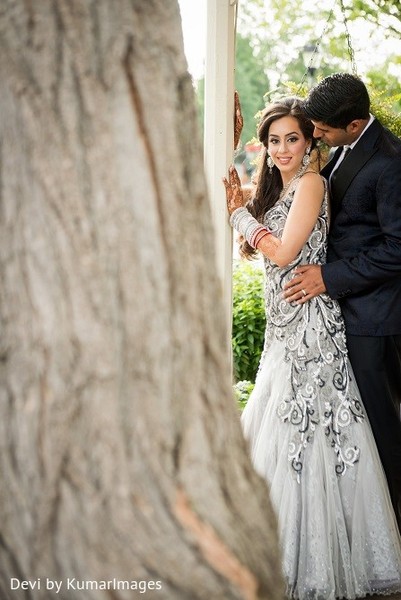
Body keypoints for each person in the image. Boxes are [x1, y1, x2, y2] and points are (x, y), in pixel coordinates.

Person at [223, 96, 401, 600]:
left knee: (309, 436)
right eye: (274, 140)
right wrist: (237, 176)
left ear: (310, 141)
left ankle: (314, 556)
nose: (282, 149)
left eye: (293, 138)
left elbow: (281, 251)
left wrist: (239, 217)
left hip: (307, 326)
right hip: (283, 325)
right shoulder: (279, 185)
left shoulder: (311, 183)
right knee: (278, 432)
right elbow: (255, 247)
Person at [283, 73, 401, 531]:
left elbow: (397, 248)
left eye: (323, 130)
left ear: (354, 124)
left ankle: (390, 528)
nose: (315, 135)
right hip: (342, 314)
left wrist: (328, 277)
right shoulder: (342, 148)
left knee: (382, 426)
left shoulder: (390, 163)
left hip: (376, 318)